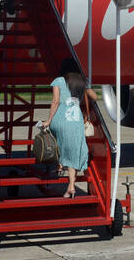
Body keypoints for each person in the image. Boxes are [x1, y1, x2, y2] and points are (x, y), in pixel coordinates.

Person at [41, 58, 97, 199]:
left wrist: (48, 120)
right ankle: (71, 186)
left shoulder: (59, 81)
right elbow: (95, 97)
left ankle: (60, 164)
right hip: (76, 121)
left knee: (58, 139)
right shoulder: (82, 81)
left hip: (61, 119)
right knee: (74, 152)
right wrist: (87, 87)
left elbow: (55, 101)